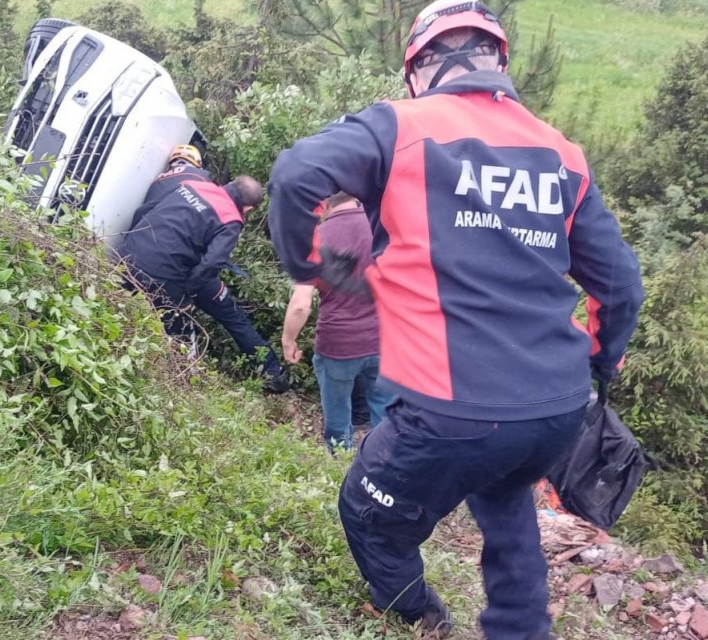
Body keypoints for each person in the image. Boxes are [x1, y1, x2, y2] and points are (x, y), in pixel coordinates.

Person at [266, 2, 645, 638]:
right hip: (554, 408)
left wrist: (316, 268)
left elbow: (296, 175)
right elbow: (621, 285)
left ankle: (423, 619)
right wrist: (600, 363)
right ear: (501, 62)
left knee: (368, 509)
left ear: (417, 69)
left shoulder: (401, 126)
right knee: (504, 497)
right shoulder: (562, 153)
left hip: (453, 408)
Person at [120, 152, 288, 391]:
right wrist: (186, 296)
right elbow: (210, 265)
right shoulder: (231, 219)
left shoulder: (191, 185)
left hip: (128, 257)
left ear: (228, 184)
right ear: (249, 208)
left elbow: (144, 211)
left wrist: (134, 246)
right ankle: (270, 375)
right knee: (226, 318)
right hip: (171, 275)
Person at [281, 192, 391, 450]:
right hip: (384, 341)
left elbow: (300, 304)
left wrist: (288, 341)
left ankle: (339, 470)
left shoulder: (317, 239)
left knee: (338, 416)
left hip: (338, 346)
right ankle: (379, 467)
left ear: (324, 204)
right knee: (384, 415)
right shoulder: (384, 224)